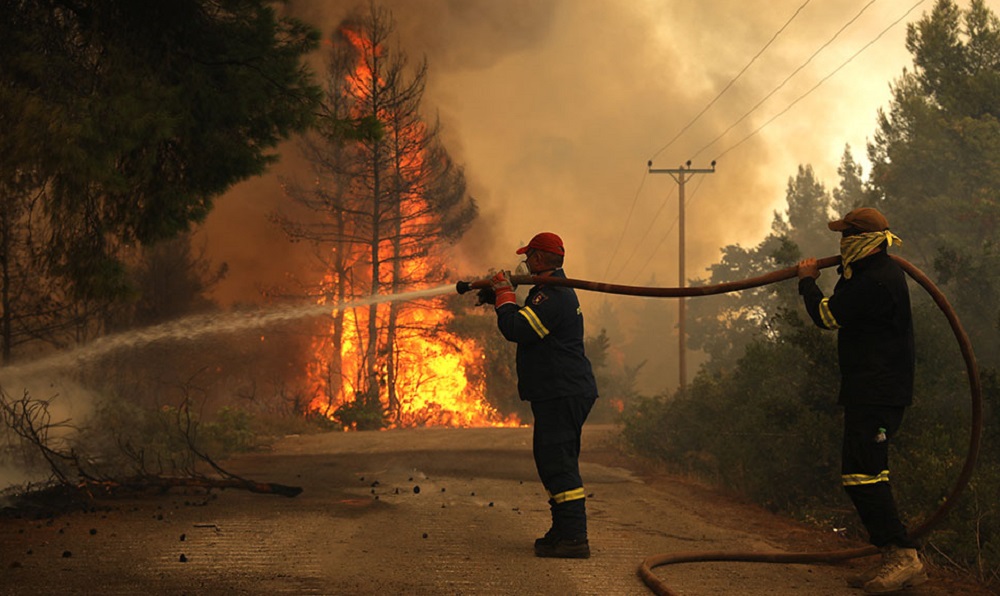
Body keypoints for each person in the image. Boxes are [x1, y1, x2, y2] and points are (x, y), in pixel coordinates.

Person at [796, 207, 927, 594]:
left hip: (877, 394)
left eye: (845, 236)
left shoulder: (876, 281)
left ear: (859, 240)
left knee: (864, 475)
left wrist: (807, 282)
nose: (840, 244)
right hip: (869, 392)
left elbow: (827, 316)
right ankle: (897, 556)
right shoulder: (869, 273)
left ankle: (903, 557)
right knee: (863, 474)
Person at [487, 232, 599, 559]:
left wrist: (506, 295)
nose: (525, 263)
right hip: (560, 391)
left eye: (528, 257)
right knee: (551, 461)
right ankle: (563, 531)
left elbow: (518, 329)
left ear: (537, 259)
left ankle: (575, 537)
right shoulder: (548, 293)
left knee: (558, 462)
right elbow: (524, 319)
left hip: (562, 391)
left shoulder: (553, 296)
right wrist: (497, 299)